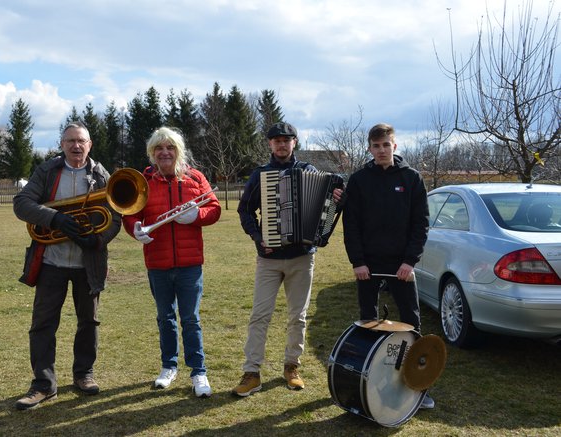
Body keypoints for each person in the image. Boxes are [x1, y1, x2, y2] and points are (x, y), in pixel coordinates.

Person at [13, 121, 121, 410]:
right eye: (70, 140)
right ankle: (43, 385)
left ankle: (84, 374)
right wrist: (55, 219)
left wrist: (97, 240)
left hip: (88, 263)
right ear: (62, 144)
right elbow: (21, 204)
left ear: (90, 145)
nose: (76, 146)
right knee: (43, 324)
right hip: (51, 262)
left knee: (89, 322)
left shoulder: (101, 175)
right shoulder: (47, 171)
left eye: (81, 141)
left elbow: (117, 215)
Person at [233, 121, 343, 397]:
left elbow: (327, 208)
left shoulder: (309, 172)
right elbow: (245, 210)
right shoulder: (261, 175)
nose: (281, 144)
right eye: (276, 140)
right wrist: (259, 237)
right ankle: (252, 372)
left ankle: (292, 366)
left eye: (286, 140)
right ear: (269, 144)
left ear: (295, 142)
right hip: (269, 259)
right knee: (260, 315)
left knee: (298, 316)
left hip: (301, 257)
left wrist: (336, 199)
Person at [341, 122, 435, 409]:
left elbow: (421, 225)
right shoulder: (359, 180)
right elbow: (351, 225)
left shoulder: (412, 178)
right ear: (369, 148)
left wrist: (409, 262)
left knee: (411, 322)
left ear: (395, 146)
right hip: (368, 265)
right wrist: (358, 262)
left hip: (401, 266)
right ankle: (369, 380)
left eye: (386, 145)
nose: (381, 150)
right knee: (368, 322)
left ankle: (417, 385)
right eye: (376, 145)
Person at [123, 126, 221, 398]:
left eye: (170, 147)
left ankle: (199, 371)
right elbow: (129, 215)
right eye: (159, 148)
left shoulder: (195, 177)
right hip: (157, 262)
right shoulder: (143, 181)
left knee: (190, 318)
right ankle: (169, 367)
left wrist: (197, 215)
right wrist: (136, 229)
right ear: (152, 153)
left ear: (178, 150)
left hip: (190, 263)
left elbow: (214, 208)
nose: (164, 152)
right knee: (165, 317)